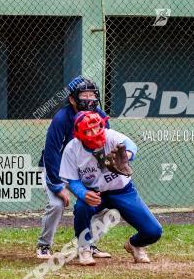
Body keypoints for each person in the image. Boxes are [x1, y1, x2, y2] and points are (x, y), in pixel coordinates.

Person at [59, 111, 163, 266]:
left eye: (96, 127)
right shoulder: (72, 148)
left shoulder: (110, 136)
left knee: (153, 232)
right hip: (94, 192)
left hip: (122, 191)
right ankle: (85, 248)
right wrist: (83, 193)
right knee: (81, 208)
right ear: (79, 133)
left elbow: (131, 145)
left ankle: (135, 244)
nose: (94, 132)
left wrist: (126, 155)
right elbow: (72, 180)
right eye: (88, 130)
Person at [36, 76, 110, 259]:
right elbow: (51, 154)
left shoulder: (100, 116)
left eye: (92, 95)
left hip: (84, 170)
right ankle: (44, 246)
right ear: (71, 99)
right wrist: (57, 186)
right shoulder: (61, 118)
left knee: (102, 204)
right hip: (56, 170)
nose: (89, 99)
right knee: (56, 204)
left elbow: (104, 146)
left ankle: (88, 245)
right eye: (84, 95)